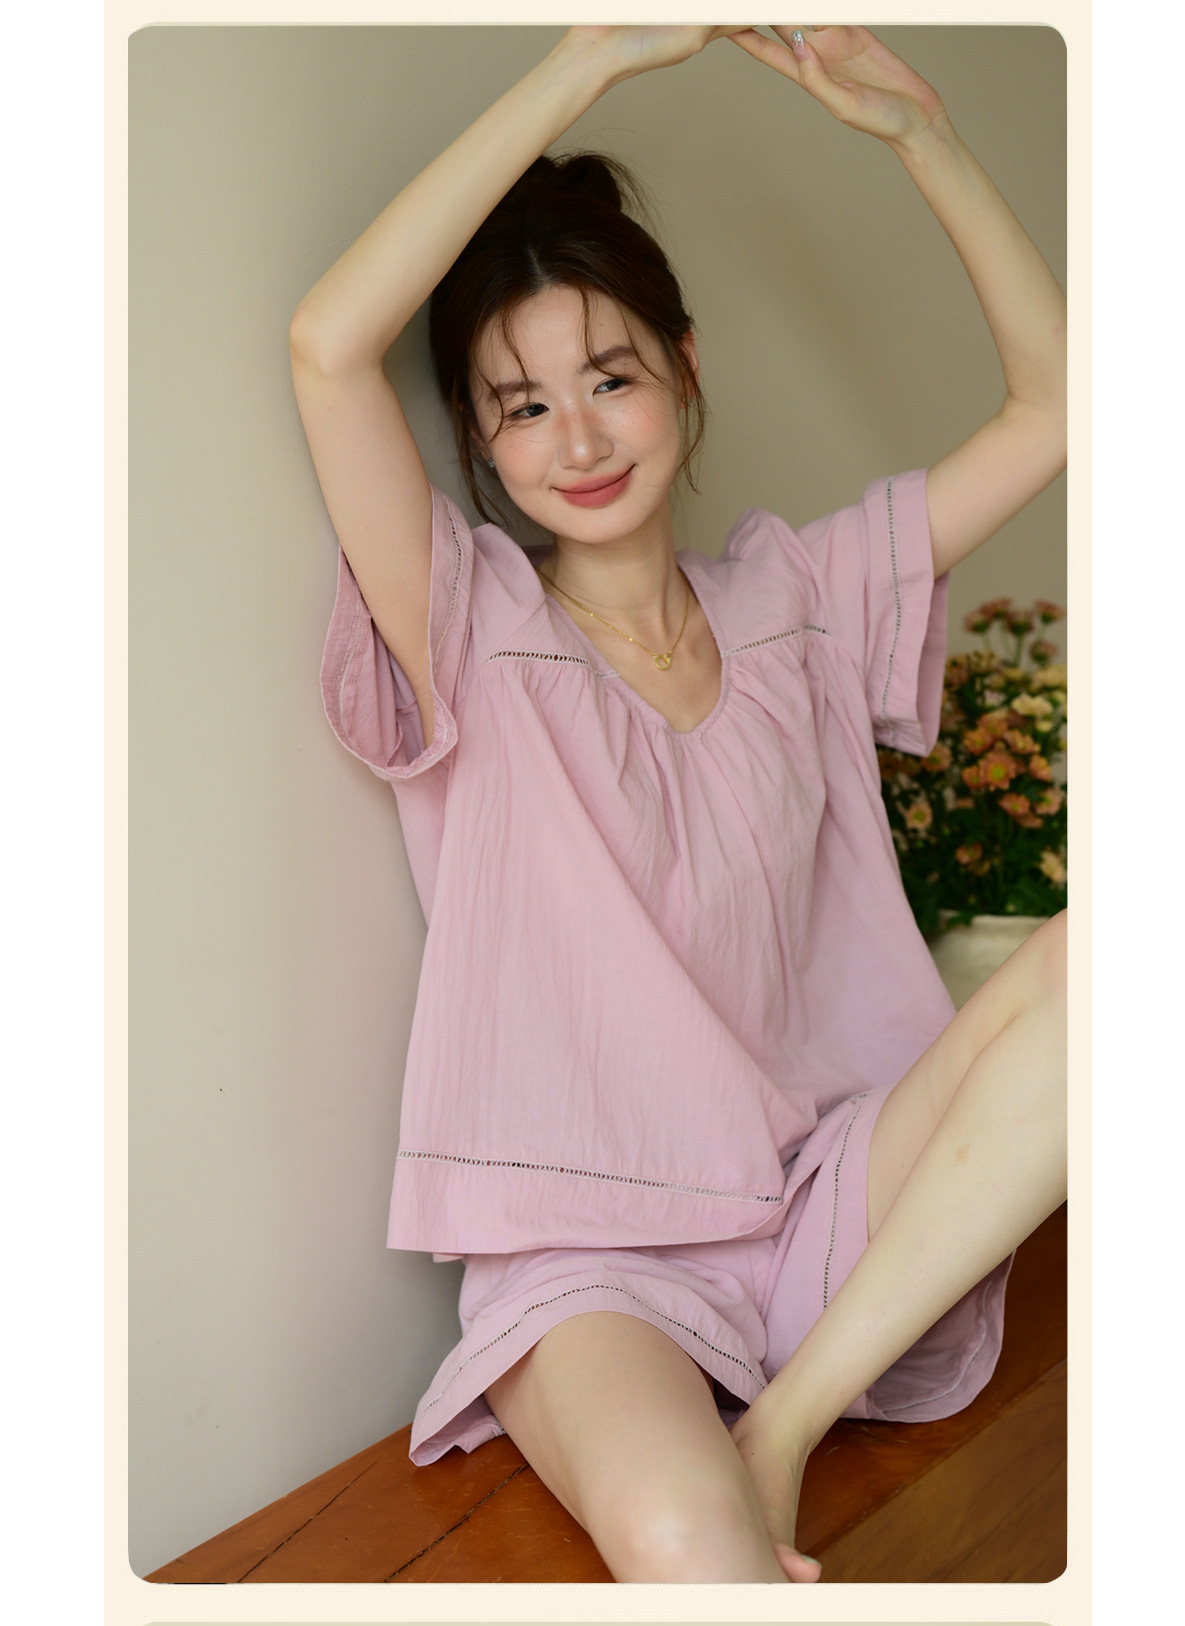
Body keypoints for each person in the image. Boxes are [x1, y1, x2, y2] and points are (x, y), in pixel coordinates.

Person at [289, 25, 1067, 1585]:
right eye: (519, 406)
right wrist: (587, 58)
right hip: (597, 1262)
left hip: (825, 1204)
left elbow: (1065, 406)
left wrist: (920, 136)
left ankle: (787, 1419)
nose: (575, 439)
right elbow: (325, 344)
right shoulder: (470, 623)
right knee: (683, 1549)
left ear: (683, 365)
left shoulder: (797, 599)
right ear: (479, 441)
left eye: (610, 378)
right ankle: (735, 1464)